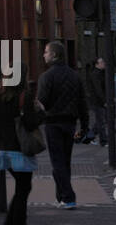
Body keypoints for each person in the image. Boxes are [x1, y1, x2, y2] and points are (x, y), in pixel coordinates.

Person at [0, 66, 43, 225]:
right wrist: (41, 111)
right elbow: (30, 123)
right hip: (20, 148)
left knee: (22, 187)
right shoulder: (24, 96)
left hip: (3, 148)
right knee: (23, 188)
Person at [37, 41, 89, 209]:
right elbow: (82, 102)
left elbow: (42, 102)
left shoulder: (46, 77)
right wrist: (85, 125)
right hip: (70, 123)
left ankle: (68, 197)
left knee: (57, 161)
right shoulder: (75, 76)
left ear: (54, 55)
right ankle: (60, 196)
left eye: (46, 52)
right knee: (65, 160)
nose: (44, 54)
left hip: (53, 123)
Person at [85, 57, 109, 147]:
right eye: (101, 62)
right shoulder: (95, 74)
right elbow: (98, 89)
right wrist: (104, 101)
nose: (104, 63)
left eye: (103, 61)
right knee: (101, 121)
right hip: (97, 101)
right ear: (96, 64)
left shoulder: (101, 73)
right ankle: (104, 141)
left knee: (101, 121)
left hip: (100, 100)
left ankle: (89, 136)